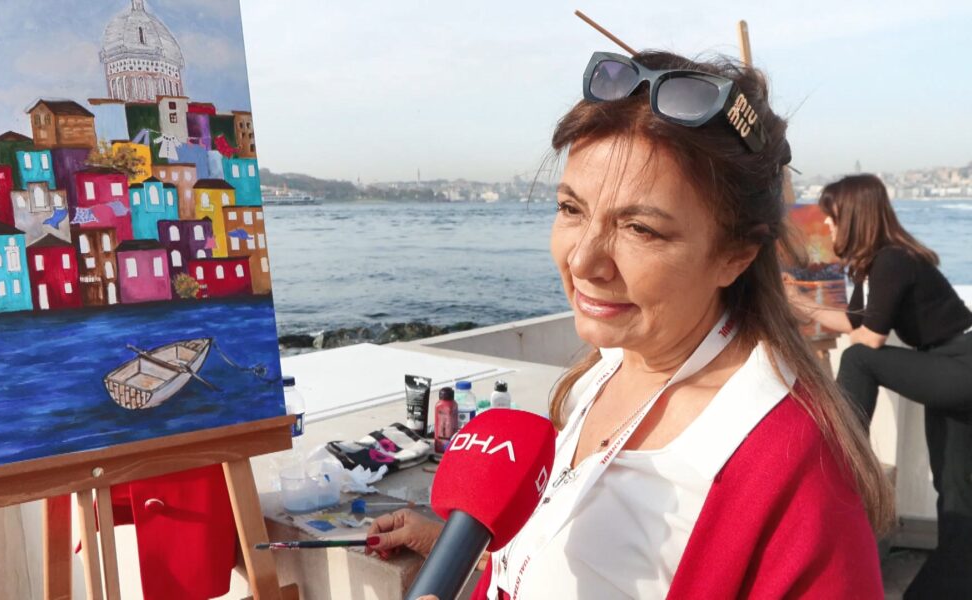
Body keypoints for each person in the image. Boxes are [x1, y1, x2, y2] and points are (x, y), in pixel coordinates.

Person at [367, 49, 894, 598]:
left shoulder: (790, 468)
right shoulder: (605, 372)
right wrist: (467, 552)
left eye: (640, 228)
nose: (582, 261)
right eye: (571, 209)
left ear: (734, 255)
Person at [785, 173, 972, 598]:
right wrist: (797, 302)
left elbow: (869, 340)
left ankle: (839, 455)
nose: (826, 225)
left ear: (854, 216)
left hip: (961, 363)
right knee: (955, 492)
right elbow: (854, 322)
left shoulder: (893, 261)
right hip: (946, 365)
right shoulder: (872, 268)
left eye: (832, 217)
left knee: (858, 358)